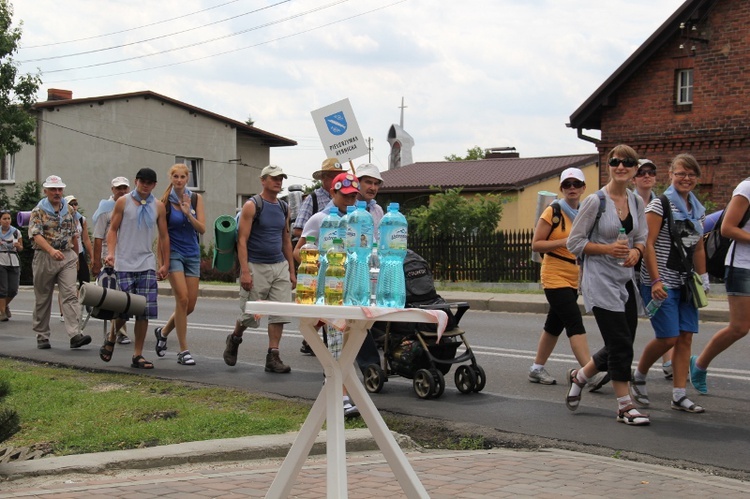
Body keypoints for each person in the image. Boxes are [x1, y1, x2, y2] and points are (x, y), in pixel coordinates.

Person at [565, 145, 650, 426]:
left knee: (618, 342)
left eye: (627, 162)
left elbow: (641, 237)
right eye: (615, 162)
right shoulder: (595, 202)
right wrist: (606, 249)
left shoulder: (636, 201)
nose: (621, 166)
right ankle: (625, 407)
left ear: (635, 169)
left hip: (625, 282)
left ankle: (580, 376)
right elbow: (574, 243)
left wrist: (636, 252)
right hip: (599, 282)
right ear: (609, 166)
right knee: (622, 344)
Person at [632, 153, 707, 414]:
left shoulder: (697, 209)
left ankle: (679, 394)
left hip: (685, 282)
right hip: (660, 281)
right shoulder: (659, 206)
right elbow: (648, 244)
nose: (686, 178)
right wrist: (654, 280)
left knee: (686, 336)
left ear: (697, 178)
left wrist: (703, 277)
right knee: (668, 337)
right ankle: (639, 375)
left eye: (691, 174)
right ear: (671, 175)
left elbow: (698, 247)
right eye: (681, 173)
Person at [529, 168, 606, 389]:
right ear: (561, 189)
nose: (572, 188)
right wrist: (565, 241)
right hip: (554, 275)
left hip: (574, 276)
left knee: (554, 325)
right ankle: (589, 372)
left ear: (583, 187)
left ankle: (536, 368)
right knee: (574, 321)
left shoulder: (585, 212)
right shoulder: (553, 211)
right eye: (567, 185)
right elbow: (536, 244)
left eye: (576, 184)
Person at [294, 172, 361, 417]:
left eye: (353, 195)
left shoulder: (357, 219)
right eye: (345, 195)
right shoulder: (320, 219)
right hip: (329, 288)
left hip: (353, 287)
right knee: (334, 340)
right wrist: (319, 265)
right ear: (332, 193)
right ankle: (341, 396)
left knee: (351, 340)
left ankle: (336, 386)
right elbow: (298, 252)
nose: (349, 200)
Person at [223, 165, 296, 373]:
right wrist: (245, 271)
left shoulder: (284, 207)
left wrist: (291, 270)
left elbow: (286, 240)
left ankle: (273, 356)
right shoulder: (252, 205)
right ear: (263, 180)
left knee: (279, 313)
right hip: (256, 265)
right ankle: (235, 338)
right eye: (274, 178)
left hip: (279, 265)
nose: (278, 182)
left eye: (281, 178)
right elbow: (242, 240)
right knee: (251, 313)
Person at [99, 168, 170, 369]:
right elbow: (112, 229)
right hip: (123, 262)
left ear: (154, 185)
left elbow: (164, 236)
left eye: (149, 182)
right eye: (142, 181)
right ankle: (112, 336)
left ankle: (137, 355)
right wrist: (110, 253)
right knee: (124, 310)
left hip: (146, 263)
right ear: (136, 181)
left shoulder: (158, 206)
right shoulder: (124, 202)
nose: (145, 185)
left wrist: (165, 263)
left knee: (144, 310)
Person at [690, 176, 750, 394]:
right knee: (739, 327)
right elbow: (727, 228)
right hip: (743, 266)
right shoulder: (747, 187)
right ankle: (700, 364)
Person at [28, 175, 91, 350]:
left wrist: (77, 257)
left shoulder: (69, 210)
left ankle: (75, 334)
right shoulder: (38, 211)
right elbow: (36, 234)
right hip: (45, 256)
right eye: (53, 190)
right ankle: (42, 335)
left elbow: (74, 234)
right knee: (43, 297)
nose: (57, 193)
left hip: (67, 255)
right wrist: (51, 250)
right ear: (46, 191)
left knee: (70, 294)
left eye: (59, 189)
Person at [152, 164, 206, 366]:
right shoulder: (163, 203)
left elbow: (202, 229)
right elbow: (162, 236)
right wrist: (162, 263)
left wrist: (187, 214)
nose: (179, 180)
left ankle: (163, 332)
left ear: (187, 179)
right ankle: (184, 350)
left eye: (183, 176)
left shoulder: (194, 199)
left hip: (192, 254)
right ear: (171, 178)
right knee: (181, 300)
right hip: (174, 254)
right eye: (175, 176)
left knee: (190, 305)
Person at [292, 157, 344, 355]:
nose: (334, 179)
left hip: (338, 266)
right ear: (323, 178)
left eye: (338, 176)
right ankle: (317, 345)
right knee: (323, 312)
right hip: (319, 260)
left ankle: (319, 345)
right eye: (331, 176)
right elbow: (300, 230)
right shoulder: (313, 199)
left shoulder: (348, 202)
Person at [632, 159, 673, 379]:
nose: (646, 176)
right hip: (632, 267)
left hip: (657, 267)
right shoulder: (628, 202)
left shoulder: (662, 202)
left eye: (651, 172)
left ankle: (668, 362)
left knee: (663, 310)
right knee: (628, 318)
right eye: (641, 172)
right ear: (634, 178)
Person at [92, 176, 132, 344]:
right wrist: (96, 262)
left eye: (125, 188)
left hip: (128, 256)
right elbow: (98, 237)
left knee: (126, 294)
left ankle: (118, 330)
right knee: (116, 294)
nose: (122, 191)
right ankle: (119, 332)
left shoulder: (131, 206)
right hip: (110, 256)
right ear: (112, 190)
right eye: (118, 188)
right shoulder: (105, 209)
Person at [0, 210, 22, 322]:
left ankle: (3, 306)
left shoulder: (16, 232)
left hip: (13, 260)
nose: (7, 221)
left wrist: (18, 246)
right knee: (3, 289)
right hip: (1, 260)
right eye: (4, 218)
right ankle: (2, 312)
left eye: (9, 218)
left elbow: (21, 248)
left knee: (13, 289)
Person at [354, 163, 385, 232]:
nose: (373, 188)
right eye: (368, 182)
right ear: (357, 183)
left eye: (376, 184)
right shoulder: (347, 206)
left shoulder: (378, 210)